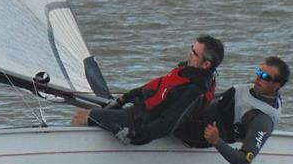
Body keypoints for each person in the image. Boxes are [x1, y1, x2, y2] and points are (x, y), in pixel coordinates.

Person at [71, 35, 224, 145]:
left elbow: (167, 123)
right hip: (137, 112)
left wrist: (136, 136)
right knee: (90, 114)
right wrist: (122, 100)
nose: (190, 54)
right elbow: (152, 87)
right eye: (192, 48)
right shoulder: (185, 72)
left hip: (140, 123)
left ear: (206, 65)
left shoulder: (194, 90)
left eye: (195, 53)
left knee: (81, 117)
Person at [174, 56, 290, 164]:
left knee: (167, 118)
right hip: (199, 111)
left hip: (201, 132)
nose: (258, 78)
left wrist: (216, 141)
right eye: (259, 72)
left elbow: (243, 160)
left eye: (265, 76)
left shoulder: (262, 120)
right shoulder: (257, 90)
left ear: (276, 85)